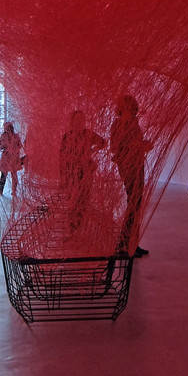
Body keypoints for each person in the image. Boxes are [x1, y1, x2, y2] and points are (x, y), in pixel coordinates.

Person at [110, 95, 152, 257]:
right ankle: (124, 243)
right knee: (133, 204)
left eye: (134, 109)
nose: (133, 112)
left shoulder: (133, 123)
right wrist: (138, 146)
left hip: (137, 165)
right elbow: (115, 147)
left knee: (135, 204)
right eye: (130, 109)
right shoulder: (118, 124)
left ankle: (131, 243)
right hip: (128, 167)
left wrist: (142, 146)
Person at [60, 111, 105, 233]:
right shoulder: (67, 136)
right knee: (73, 200)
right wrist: (63, 176)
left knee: (84, 199)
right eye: (77, 119)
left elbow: (103, 142)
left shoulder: (87, 134)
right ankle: (72, 227)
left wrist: (91, 151)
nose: (79, 122)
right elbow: (62, 158)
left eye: (81, 119)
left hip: (85, 172)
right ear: (72, 121)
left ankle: (78, 225)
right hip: (72, 173)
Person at [0, 122, 23, 195]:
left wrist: (7, 147)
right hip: (13, 157)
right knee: (13, 174)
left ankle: (1, 189)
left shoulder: (3, 136)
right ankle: (14, 191)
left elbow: (0, 147)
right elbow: (20, 146)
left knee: (4, 174)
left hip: (7, 157)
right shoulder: (15, 136)